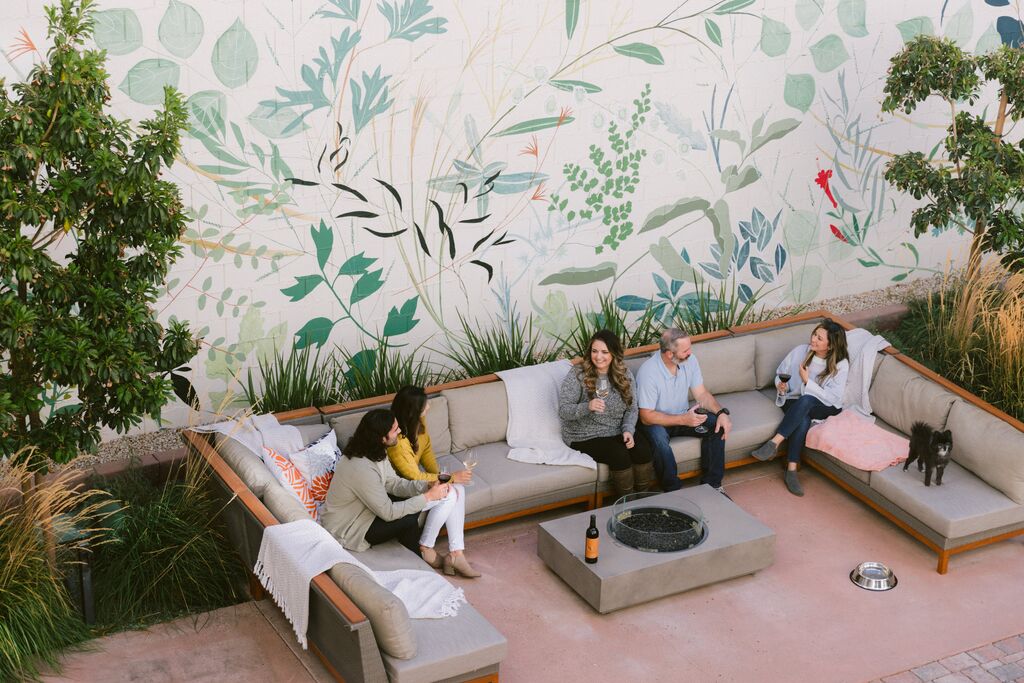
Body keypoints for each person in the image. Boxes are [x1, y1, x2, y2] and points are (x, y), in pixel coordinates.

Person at [320, 408, 456, 567]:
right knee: (409, 515)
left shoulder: (375, 451)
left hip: (365, 510)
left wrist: (426, 485)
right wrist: (428, 497)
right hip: (349, 528)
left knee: (408, 506)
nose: (400, 431)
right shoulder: (361, 468)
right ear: (382, 437)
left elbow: (393, 483)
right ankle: (420, 556)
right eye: (395, 429)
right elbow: (388, 513)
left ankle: (417, 555)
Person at [750, 319, 850, 496]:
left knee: (807, 400)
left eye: (819, 338)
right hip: (794, 400)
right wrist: (781, 386)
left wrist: (807, 381)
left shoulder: (840, 365)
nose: (813, 339)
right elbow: (781, 373)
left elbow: (832, 397)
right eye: (814, 334)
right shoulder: (800, 351)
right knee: (803, 417)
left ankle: (774, 443)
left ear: (830, 346)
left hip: (825, 406)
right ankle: (791, 470)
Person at [388, 386, 480, 578]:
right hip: (401, 493)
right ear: (413, 411)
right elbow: (413, 477)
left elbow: (427, 451)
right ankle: (426, 547)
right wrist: (449, 478)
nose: (428, 406)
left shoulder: (418, 424)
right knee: (451, 493)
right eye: (424, 404)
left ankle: (456, 554)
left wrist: (442, 479)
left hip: (418, 486)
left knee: (457, 489)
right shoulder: (397, 442)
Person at [557, 330, 655, 499]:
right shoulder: (578, 374)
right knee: (619, 454)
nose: (598, 357)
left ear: (614, 354)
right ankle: (628, 502)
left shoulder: (624, 374)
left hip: (615, 429)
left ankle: (643, 499)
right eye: (594, 351)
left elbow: (632, 409)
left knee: (642, 449)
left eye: (604, 352)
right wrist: (587, 406)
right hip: (584, 434)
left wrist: (628, 430)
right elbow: (564, 411)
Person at [636, 328, 733, 494]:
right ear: (669, 354)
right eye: (685, 350)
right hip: (656, 421)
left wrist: (721, 413)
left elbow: (701, 394)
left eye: (690, 348)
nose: (690, 353)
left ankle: (713, 486)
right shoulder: (648, 373)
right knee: (660, 442)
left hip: (684, 415)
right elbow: (646, 417)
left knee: (717, 426)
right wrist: (683, 419)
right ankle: (674, 492)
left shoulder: (690, 360)